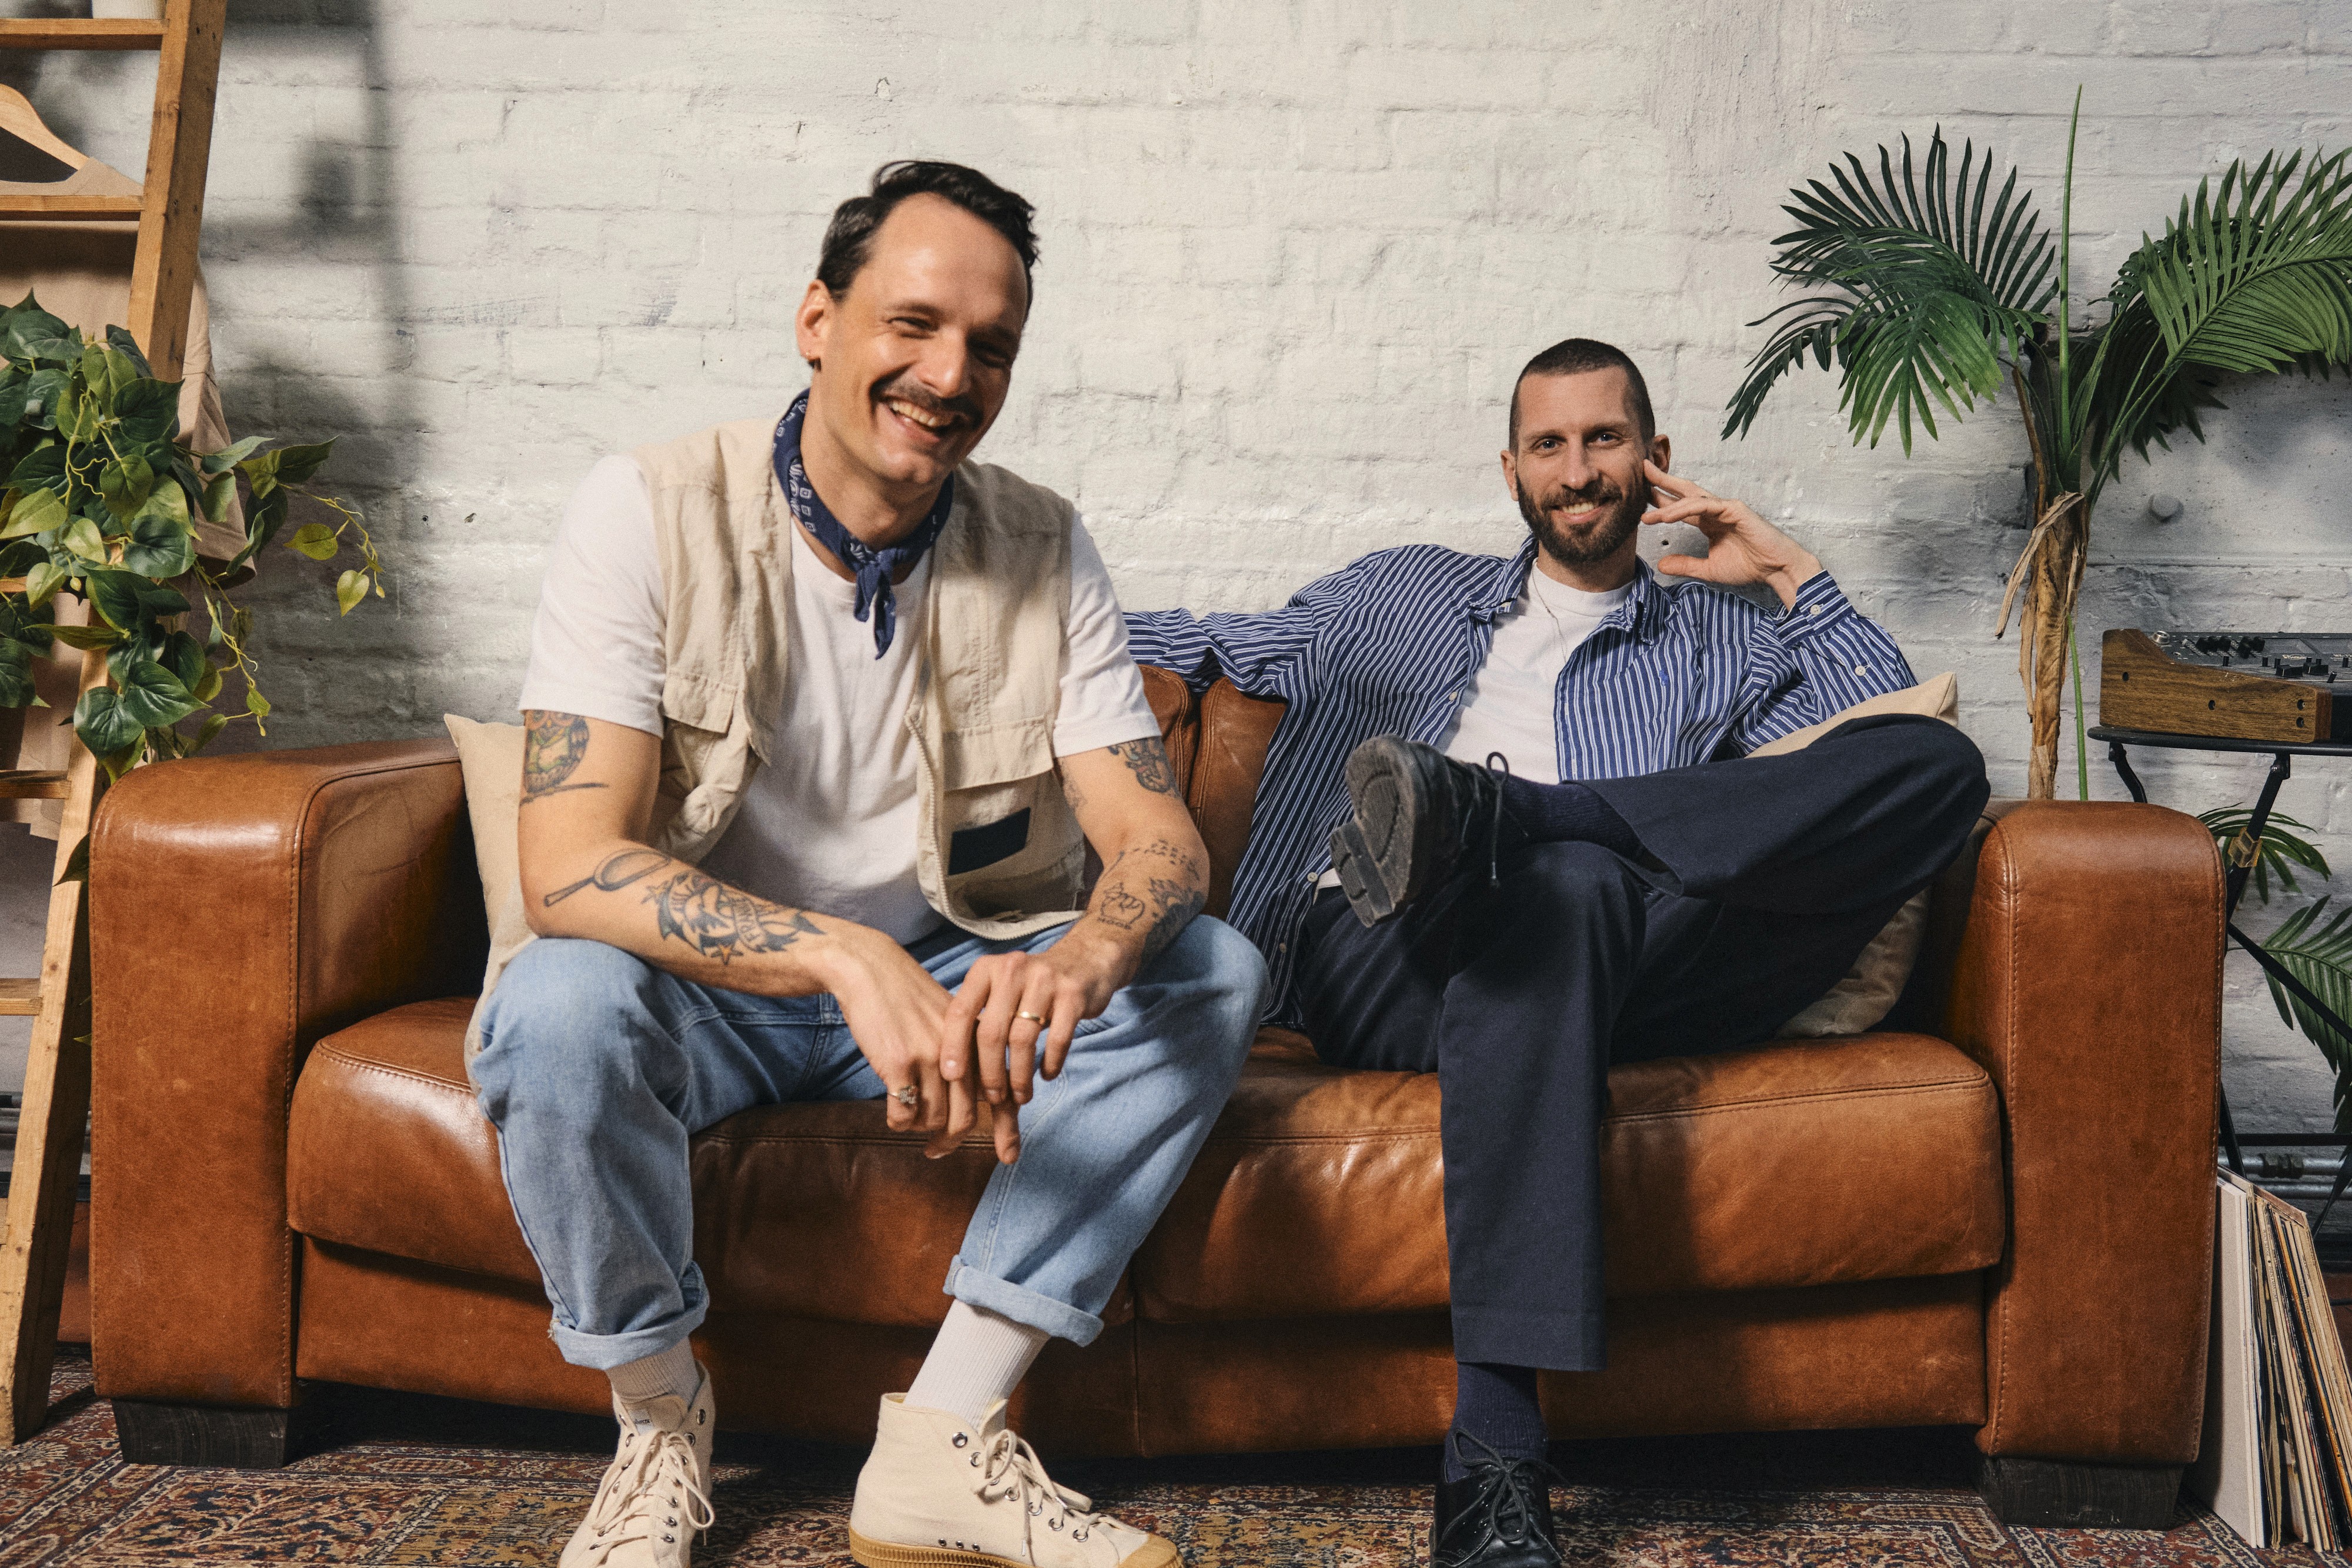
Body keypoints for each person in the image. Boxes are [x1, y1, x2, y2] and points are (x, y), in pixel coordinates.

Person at [476, 159, 1267, 1568]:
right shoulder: (646, 507)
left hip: (950, 981)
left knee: (1207, 967)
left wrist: (1083, 955)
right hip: (708, 994)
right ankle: (657, 1419)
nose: (949, 375)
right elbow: (569, 865)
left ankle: (944, 1437)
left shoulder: (1041, 543)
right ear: (817, 320)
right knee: (553, 1006)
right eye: (913, 323)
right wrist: (842, 954)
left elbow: (1159, 840)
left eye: (989, 346)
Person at [1125, 338, 1989, 1568]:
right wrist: (971, 590)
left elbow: (1877, 737)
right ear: (1511, 469)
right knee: (1563, 891)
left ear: (1654, 458)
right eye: (1548, 444)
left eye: (1602, 439)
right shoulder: (1403, 592)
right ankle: (1496, 1445)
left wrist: (1792, 572)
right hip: (1383, 943)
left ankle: (1525, 811)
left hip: (1613, 943)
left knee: (1933, 768)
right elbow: (1197, 644)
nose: (1576, 469)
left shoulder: (1723, 636)